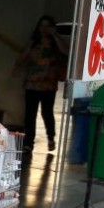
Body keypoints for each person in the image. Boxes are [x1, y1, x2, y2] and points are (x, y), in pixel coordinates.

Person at [13, 15, 68, 153]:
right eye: (42, 26)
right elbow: (22, 57)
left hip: (49, 85)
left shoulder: (56, 43)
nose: (44, 29)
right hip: (32, 84)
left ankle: (51, 138)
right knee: (30, 114)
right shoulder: (34, 42)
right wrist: (18, 67)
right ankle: (28, 143)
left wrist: (55, 35)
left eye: (47, 26)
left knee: (47, 112)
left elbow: (65, 51)